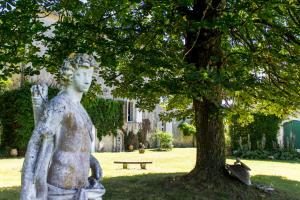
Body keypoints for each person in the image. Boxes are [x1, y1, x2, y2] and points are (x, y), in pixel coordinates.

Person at [21, 53, 105, 200]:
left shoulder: (80, 108)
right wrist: (27, 190)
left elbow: (72, 144)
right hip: (60, 188)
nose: (88, 80)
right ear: (70, 75)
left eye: (90, 75)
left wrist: (92, 161)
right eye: (82, 74)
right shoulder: (59, 104)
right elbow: (36, 143)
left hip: (82, 187)